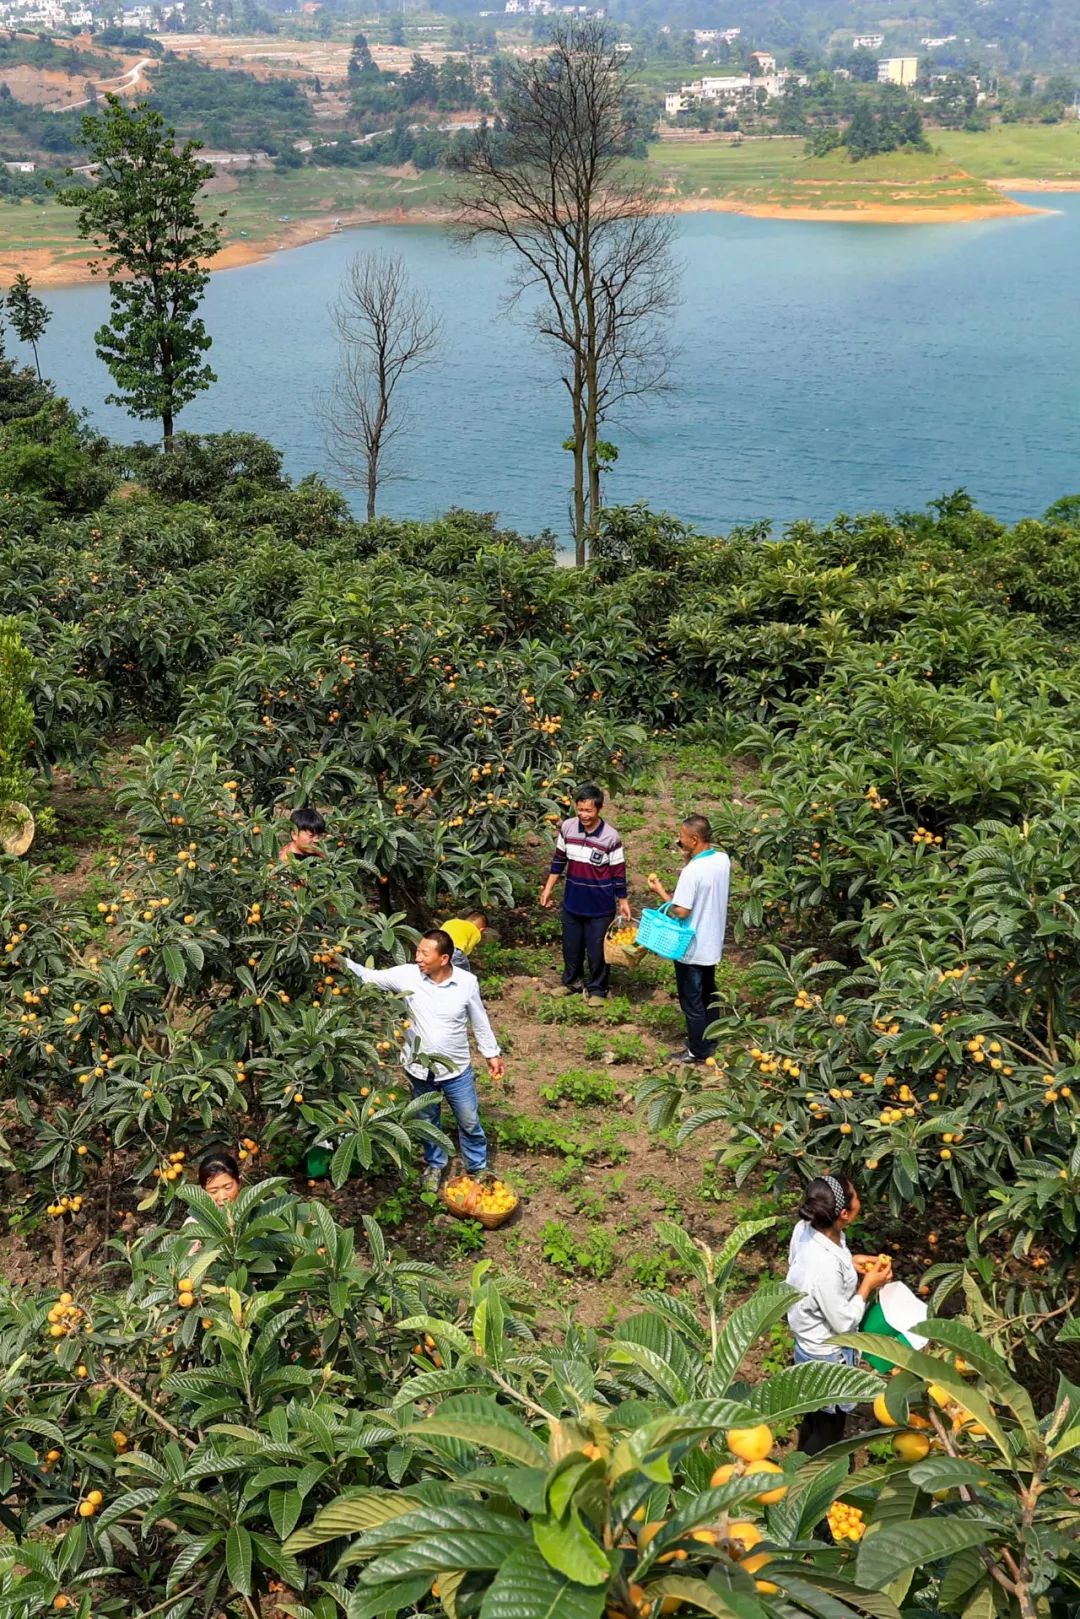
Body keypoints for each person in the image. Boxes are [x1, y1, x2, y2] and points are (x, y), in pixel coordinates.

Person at [338, 929, 504, 1193]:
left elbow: (479, 1020)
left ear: (444, 958)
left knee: (469, 1120)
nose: (418, 958)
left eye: (425, 953)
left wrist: (491, 1054)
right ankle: (435, 1165)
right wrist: (338, 959)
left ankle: (477, 1167)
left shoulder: (466, 982)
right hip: (419, 1068)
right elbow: (369, 976)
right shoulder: (407, 976)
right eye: (418, 951)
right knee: (427, 1122)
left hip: (456, 1070)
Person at [786, 1174, 891, 1456]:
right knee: (830, 1429)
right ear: (844, 1213)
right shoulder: (823, 1266)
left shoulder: (807, 1228)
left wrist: (850, 1261)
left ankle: (799, 1461)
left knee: (814, 1416)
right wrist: (867, 1286)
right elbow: (844, 1321)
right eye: (855, 1196)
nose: (859, 1200)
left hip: (806, 1344)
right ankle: (805, 1485)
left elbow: (810, 1268)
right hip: (826, 1355)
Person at [646, 814, 731, 1065]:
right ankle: (712, 1037)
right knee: (709, 992)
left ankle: (697, 1050)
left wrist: (660, 890)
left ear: (694, 839)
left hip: (691, 945)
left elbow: (681, 910)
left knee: (691, 999)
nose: (678, 841)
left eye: (682, 838)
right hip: (713, 940)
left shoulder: (692, 872)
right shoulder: (722, 860)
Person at [539, 783, 631, 1003]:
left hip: (599, 905)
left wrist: (623, 900)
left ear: (598, 809)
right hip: (573, 901)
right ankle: (572, 982)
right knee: (571, 946)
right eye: (580, 810)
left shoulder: (610, 837)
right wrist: (548, 888)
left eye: (588, 811)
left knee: (597, 951)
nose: (583, 815)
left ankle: (598, 989)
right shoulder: (568, 828)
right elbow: (559, 861)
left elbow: (618, 871)